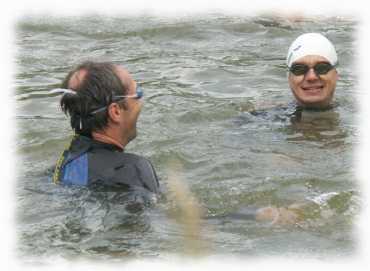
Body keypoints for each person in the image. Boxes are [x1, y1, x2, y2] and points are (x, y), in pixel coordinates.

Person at [52, 61, 160, 194]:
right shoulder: (132, 169)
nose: (141, 102)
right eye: (138, 93)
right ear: (115, 111)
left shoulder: (58, 170)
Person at [286, 32, 338, 109]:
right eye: (299, 69)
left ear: (336, 75)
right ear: (289, 78)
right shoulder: (265, 116)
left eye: (322, 68)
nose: (311, 77)